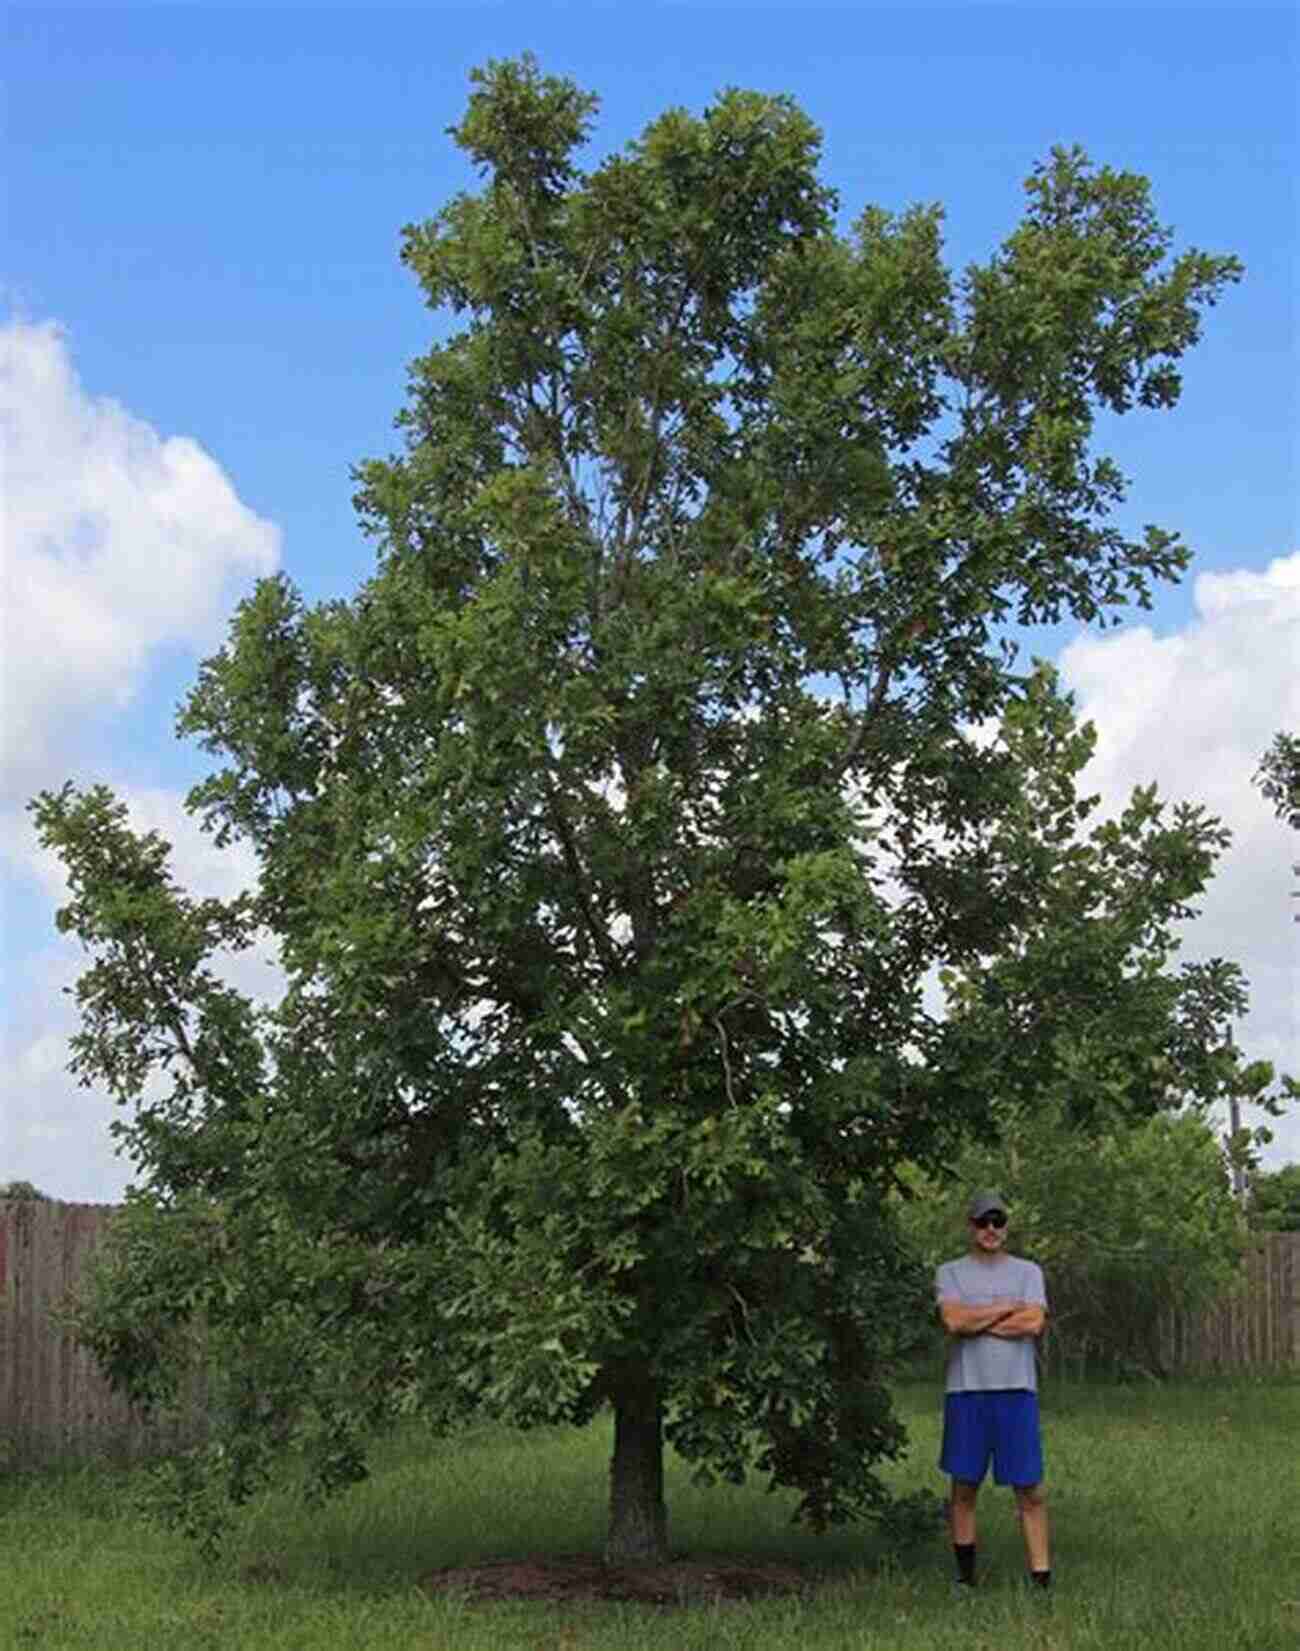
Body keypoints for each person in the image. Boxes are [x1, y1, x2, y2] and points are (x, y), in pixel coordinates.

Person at [934, 1190, 1050, 1591]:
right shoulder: (950, 1272)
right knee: (964, 1487)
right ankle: (965, 1579)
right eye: (983, 1222)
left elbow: (1033, 1324)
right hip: (966, 1392)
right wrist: (1006, 1308)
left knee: (1030, 1490)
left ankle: (1041, 1580)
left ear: (1006, 1226)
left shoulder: (1029, 1273)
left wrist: (977, 1318)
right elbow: (954, 1322)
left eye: (997, 1221)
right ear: (971, 1226)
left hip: (1017, 1391)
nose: (990, 1229)